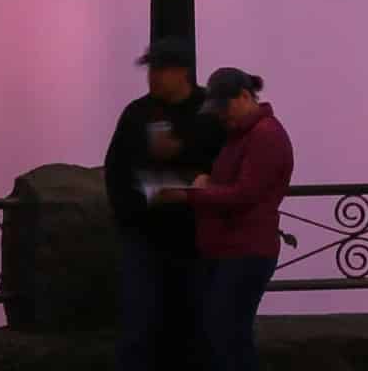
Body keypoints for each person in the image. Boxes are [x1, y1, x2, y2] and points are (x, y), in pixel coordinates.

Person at [101, 37, 223, 369]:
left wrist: (181, 155)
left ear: (182, 71)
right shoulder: (137, 113)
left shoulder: (210, 114)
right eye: (150, 69)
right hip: (145, 237)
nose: (153, 76)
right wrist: (130, 215)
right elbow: (115, 169)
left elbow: (225, 169)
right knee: (138, 325)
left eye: (161, 69)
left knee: (198, 326)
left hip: (196, 239)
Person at [158, 68, 292, 371]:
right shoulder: (243, 136)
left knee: (226, 334)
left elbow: (243, 195)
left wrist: (190, 195)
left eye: (223, 107)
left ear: (244, 96)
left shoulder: (265, 136)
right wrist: (206, 180)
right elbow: (231, 184)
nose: (220, 116)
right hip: (231, 249)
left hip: (246, 250)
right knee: (227, 334)